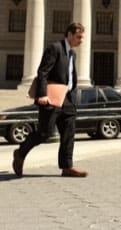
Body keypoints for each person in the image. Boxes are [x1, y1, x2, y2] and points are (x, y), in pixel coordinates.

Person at [12, 22, 87, 178]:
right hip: (51, 98)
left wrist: (72, 93)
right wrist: (42, 95)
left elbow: (70, 75)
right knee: (44, 133)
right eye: (79, 37)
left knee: (69, 133)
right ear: (70, 35)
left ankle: (67, 166)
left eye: (82, 37)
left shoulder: (73, 54)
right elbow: (43, 72)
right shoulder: (55, 48)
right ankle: (20, 153)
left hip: (67, 98)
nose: (81, 41)